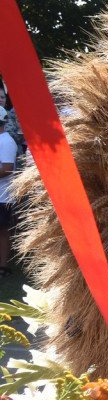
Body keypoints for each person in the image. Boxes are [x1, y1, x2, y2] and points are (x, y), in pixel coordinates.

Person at [0, 108, 16, 278]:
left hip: (2, 196)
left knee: (2, 231)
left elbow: (7, 169)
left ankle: (3, 266)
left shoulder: (6, 141)